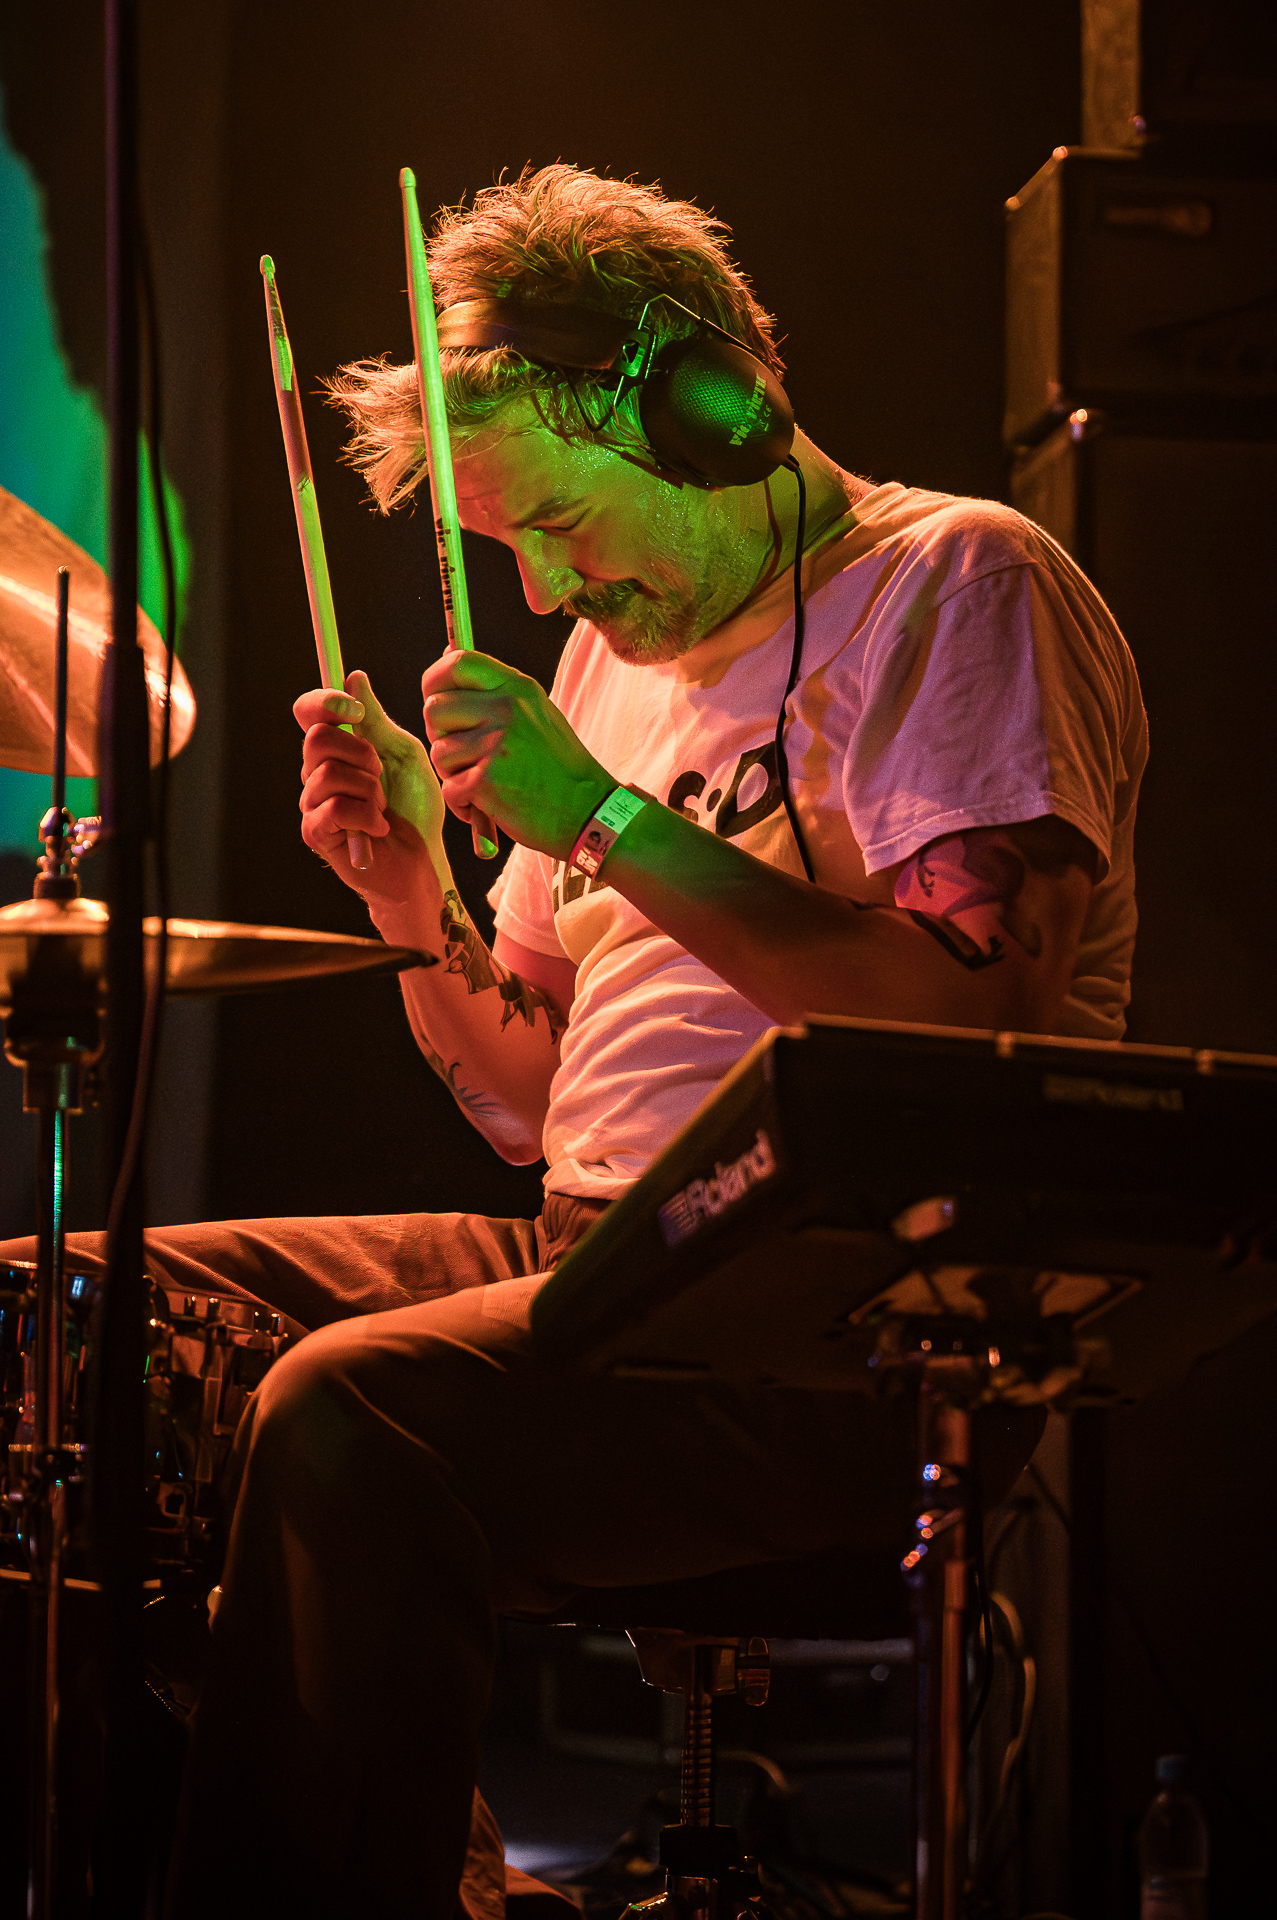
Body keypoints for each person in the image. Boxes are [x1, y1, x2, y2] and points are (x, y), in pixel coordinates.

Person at [7, 165, 1146, 1917]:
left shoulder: (955, 582)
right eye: (508, 548)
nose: (545, 587)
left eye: (556, 521)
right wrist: (410, 893)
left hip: (846, 1322)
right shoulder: (611, 667)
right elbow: (533, 1101)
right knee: (61, 1321)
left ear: (711, 406)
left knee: (347, 1408)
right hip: (591, 1256)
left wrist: (601, 820)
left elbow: (973, 1027)